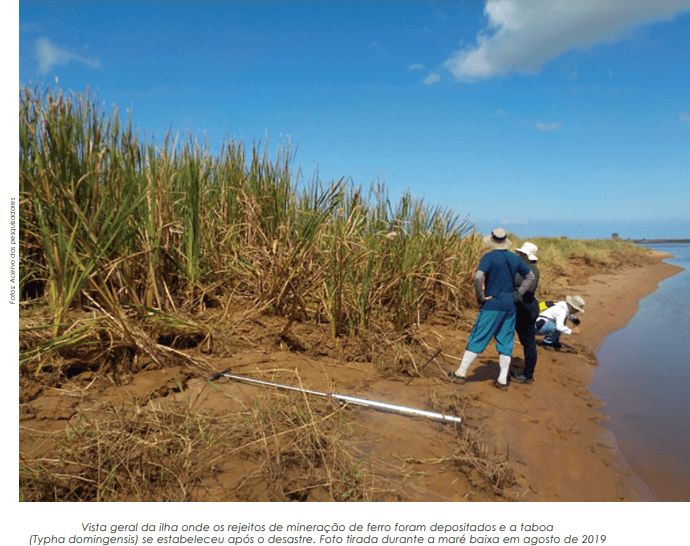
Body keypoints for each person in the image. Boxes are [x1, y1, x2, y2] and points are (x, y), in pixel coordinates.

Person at [448, 228, 536, 390]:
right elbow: (530, 276)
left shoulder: (489, 257)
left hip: (492, 304)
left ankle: (461, 373)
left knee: (478, 336)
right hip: (509, 306)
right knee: (506, 340)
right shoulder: (514, 258)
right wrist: (518, 293)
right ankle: (502, 380)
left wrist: (480, 296)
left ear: (493, 240)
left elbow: (477, 277)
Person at [510, 242, 540, 384]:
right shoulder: (526, 267)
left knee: (528, 343)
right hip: (523, 308)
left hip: (526, 310)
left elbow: (528, 288)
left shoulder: (531, 269)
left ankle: (528, 375)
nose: (519, 255)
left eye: (522, 254)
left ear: (528, 256)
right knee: (526, 342)